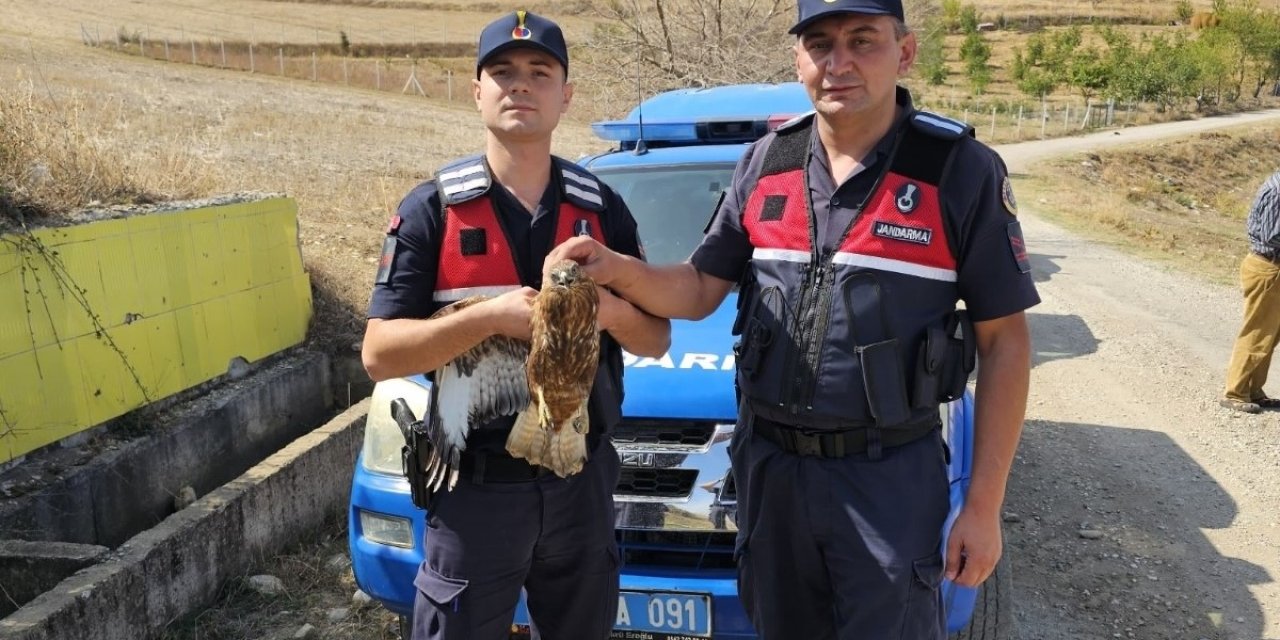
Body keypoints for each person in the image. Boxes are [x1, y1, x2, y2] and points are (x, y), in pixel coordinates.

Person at [544, 0, 1039, 637]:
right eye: (820, 44)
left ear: (905, 52)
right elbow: (698, 287)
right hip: (770, 470)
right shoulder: (767, 161)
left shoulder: (957, 171)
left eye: (863, 41)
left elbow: (1005, 345)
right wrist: (616, 269)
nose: (840, 63)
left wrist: (983, 505)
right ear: (799, 58)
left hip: (885, 476)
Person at [360, 10, 670, 640]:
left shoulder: (602, 209)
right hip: (475, 490)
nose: (520, 85)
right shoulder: (433, 211)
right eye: (501, 72)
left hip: (580, 480)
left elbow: (656, 338)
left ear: (566, 94)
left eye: (539, 72)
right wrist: (490, 318)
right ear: (477, 91)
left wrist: (607, 314)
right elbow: (379, 354)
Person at [1221, 171, 1280, 414]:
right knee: (1256, 332)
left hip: (1273, 267)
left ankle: (1254, 389)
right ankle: (1235, 392)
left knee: (1270, 334)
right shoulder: (1278, 189)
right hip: (1268, 267)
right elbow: (1271, 235)